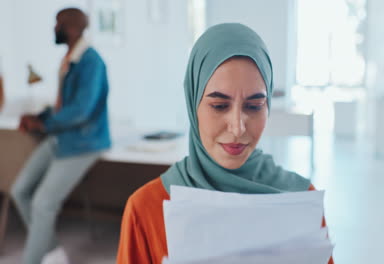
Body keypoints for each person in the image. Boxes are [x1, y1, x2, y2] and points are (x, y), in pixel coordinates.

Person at [116, 23, 333, 264]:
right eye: (219, 106)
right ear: (192, 103)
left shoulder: (300, 200)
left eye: (254, 106)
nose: (238, 127)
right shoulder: (147, 208)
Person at [11, 7, 111, 264]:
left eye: (58, 24)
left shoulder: (91, 61)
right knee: (20, 191)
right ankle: (53, 252)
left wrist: (44, 124)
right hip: (61, 137)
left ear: (73, 28)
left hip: (84, 142)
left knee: (43, 204)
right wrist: (41, 117)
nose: (54, 29)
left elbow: (81, 111)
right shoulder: (70, 58)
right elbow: (64, 106)